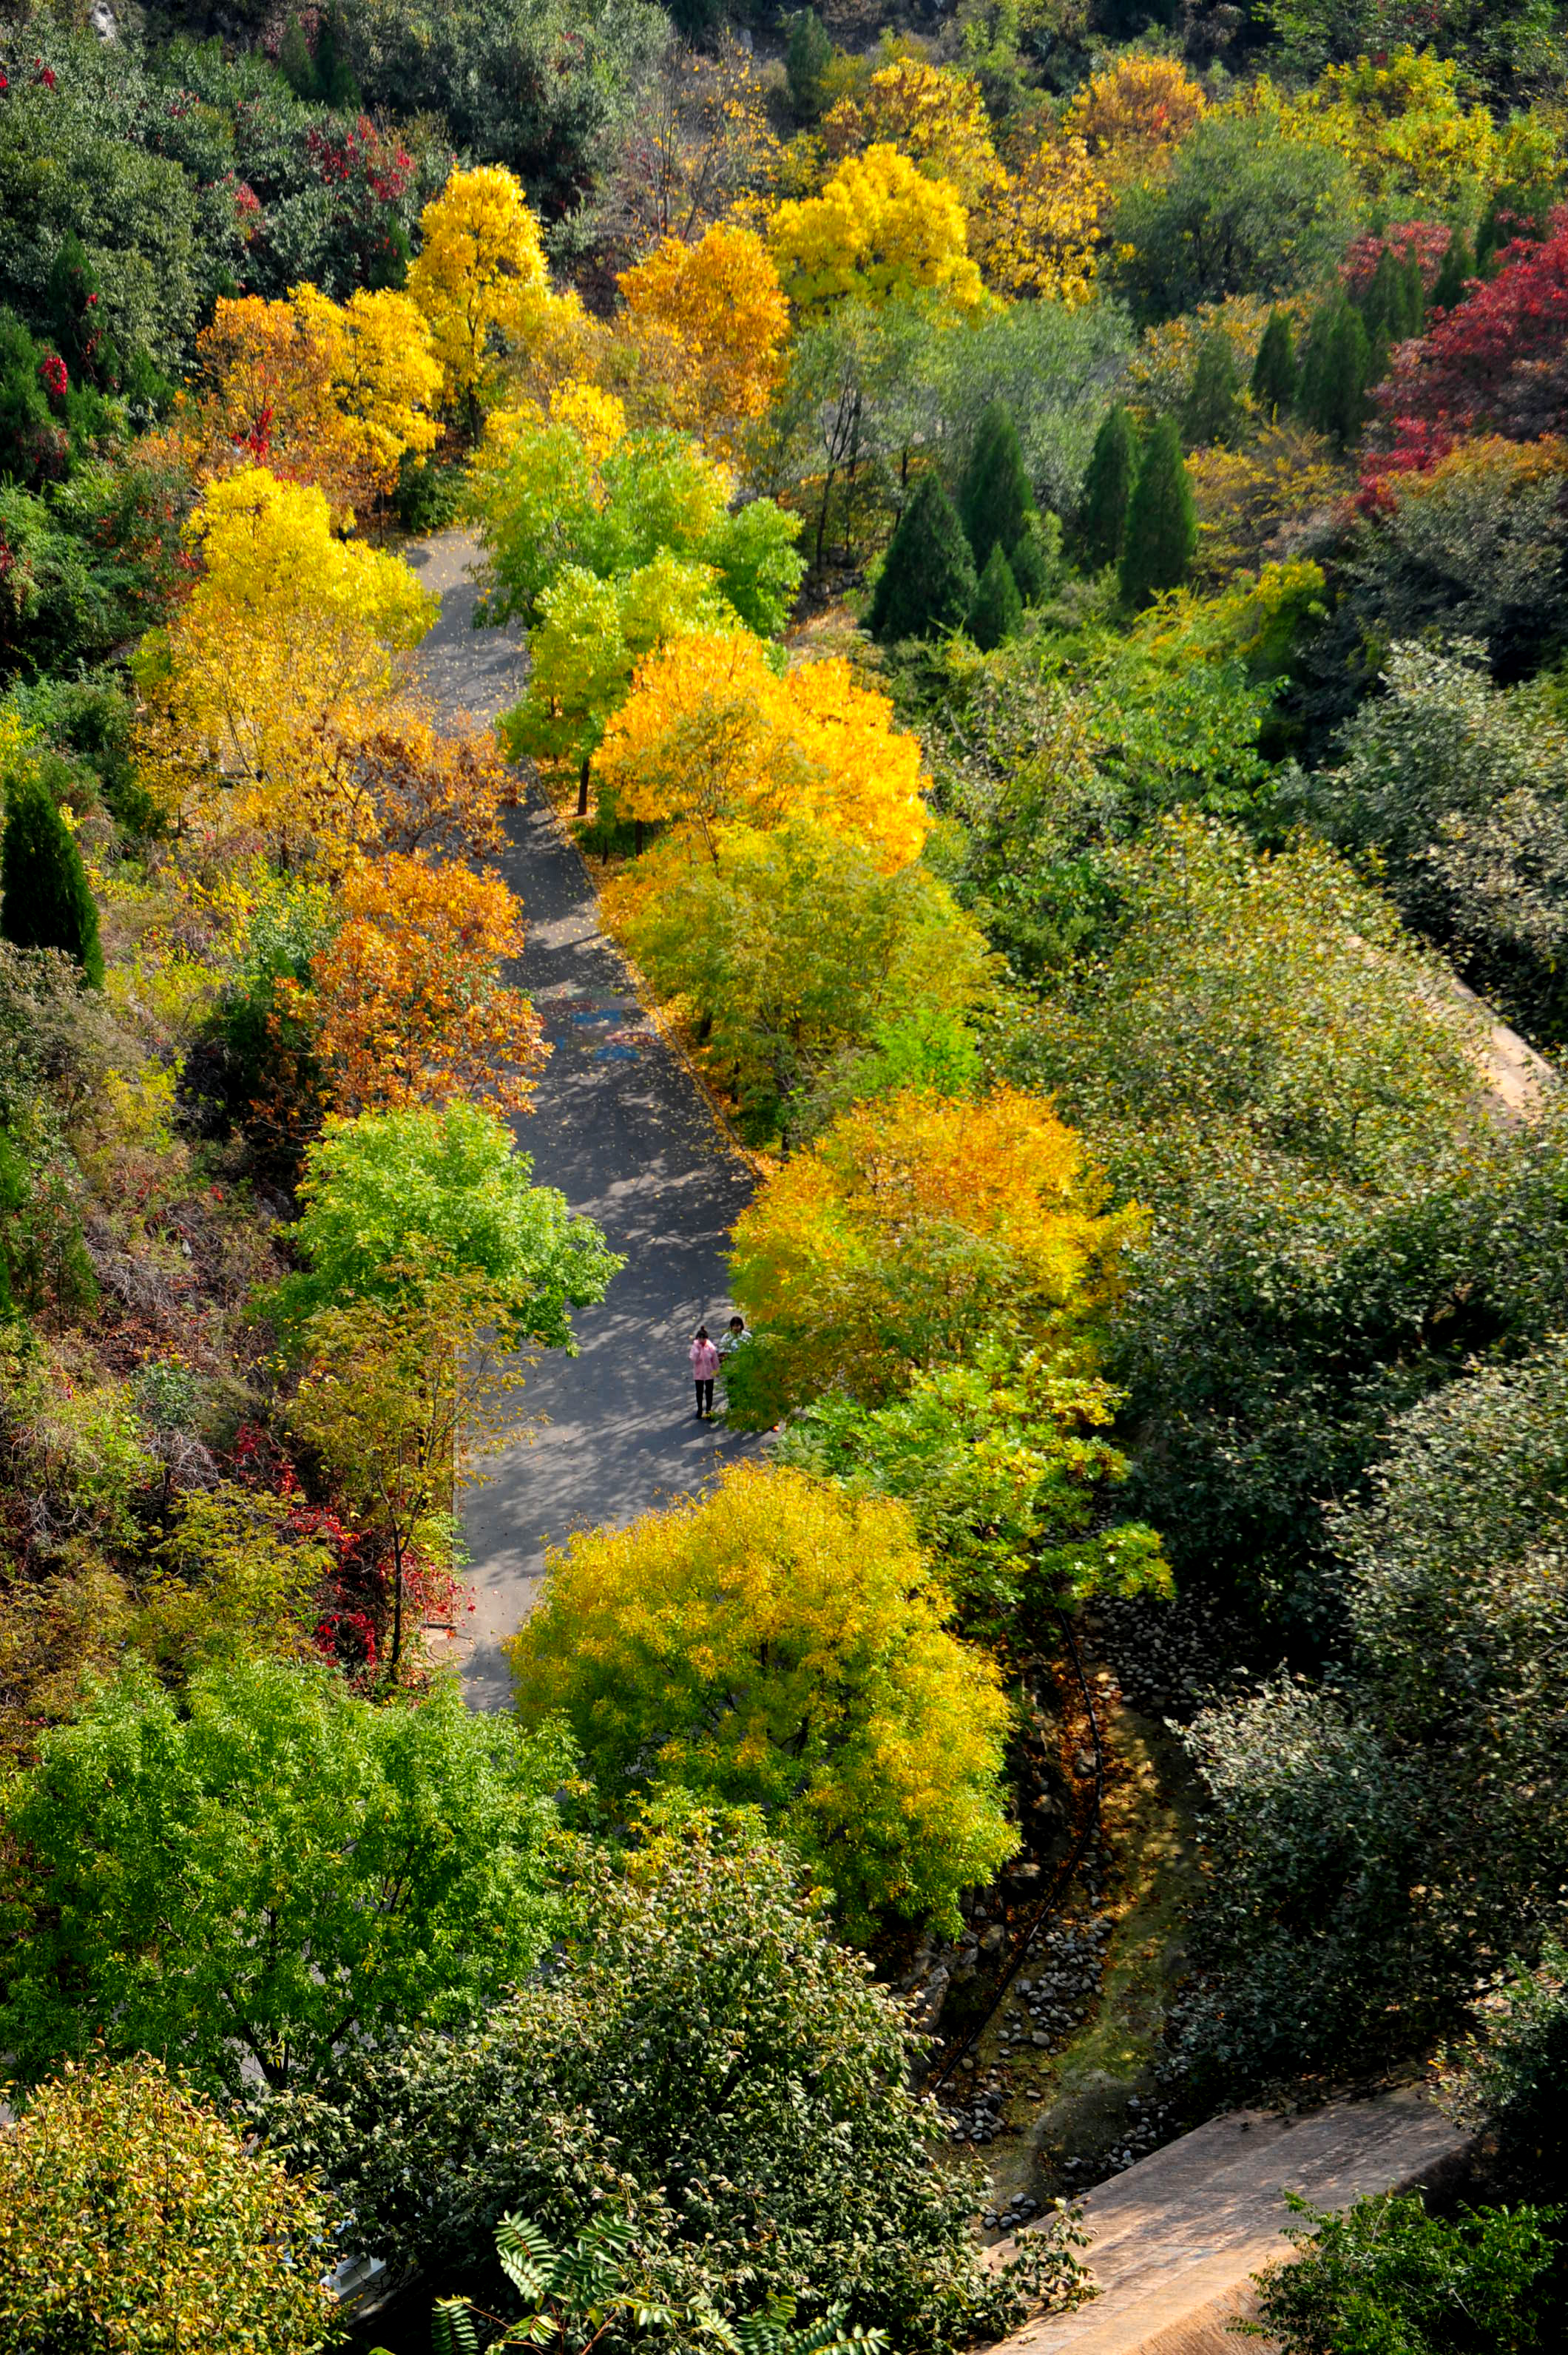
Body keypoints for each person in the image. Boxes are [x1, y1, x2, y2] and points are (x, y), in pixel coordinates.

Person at [690, 1326, 719, 1419]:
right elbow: (694, 1359)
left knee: (709, 1392)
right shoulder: (695, 1347)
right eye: (700, 1338)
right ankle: (700, 1410)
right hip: (699, 1374)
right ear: (697, 1338)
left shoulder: (711, 1347)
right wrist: (698, 1351)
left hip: (709, 1374)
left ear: (706, 1338)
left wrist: (716, 1370)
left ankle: (709, 1410)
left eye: (703, 1338)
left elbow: (715, 1360)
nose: (701, 1340)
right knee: (699, 1392)